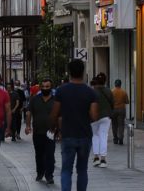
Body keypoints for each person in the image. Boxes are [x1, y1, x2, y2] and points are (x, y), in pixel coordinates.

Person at [50, 59, 98, 191]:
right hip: (85, 135)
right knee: (82, 170)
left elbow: (54, 113)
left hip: (67, 135)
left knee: (66, 169)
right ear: (83, 72)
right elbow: (94, 116)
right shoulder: (90, 92)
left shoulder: (61, 91)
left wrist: (55, 127)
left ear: (69, 73)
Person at [25, 79, 56, 184]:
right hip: (38, 132)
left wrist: (60, 131)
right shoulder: (35, 99)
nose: (45, 89)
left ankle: (49, 175)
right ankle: (40, 173)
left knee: (50, 155)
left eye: (47, 87)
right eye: (43, 87)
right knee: (39, 154)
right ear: (40, 88)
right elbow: (29, 112)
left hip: (51, 132)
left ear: (51, 88)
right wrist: (28, 126)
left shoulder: (55, 100)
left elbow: (60, 116)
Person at [91, 73, 113, 168]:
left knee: (95, 136)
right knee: (104, 136)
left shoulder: (92, 91)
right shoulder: (108, 91)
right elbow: (113, 103)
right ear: (105, 81)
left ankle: (96, 158)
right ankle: (103, 159)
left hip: (93, 117)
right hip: (106, 116)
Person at [111, 79, 129, 145]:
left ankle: (115, 138)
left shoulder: (112, 91)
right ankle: (121, 138)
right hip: (121, 110)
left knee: (114, 125)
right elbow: (127, 101)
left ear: (115, 84)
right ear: (120, 84)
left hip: (114, 110)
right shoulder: (124, 92)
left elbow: (110, 101)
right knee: (121, 125)